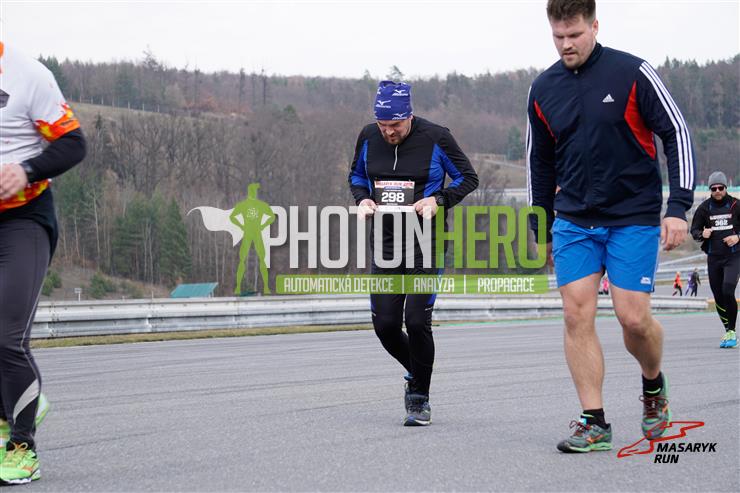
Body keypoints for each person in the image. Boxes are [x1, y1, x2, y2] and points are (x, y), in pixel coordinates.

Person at [527, 0, 695, 452]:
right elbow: (539, 163)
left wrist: (678, 206)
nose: (566, 44)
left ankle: (653, 383)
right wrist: (540, 227)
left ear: (595, 26)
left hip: (631, 216)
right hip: (574, 220)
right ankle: (594, 421)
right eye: (558, 36)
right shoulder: (543, 88)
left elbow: (676, 133)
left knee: (633, 318)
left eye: (574, 35)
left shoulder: (632, 73)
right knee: (575, 313)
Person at [348, 80, 478, 426]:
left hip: (426, 245)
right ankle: (417, 371)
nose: (388, 132)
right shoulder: (368, 136)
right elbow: (356, 176)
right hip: (386, 245)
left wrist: (439, 200)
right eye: (383, 125)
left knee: (417, 321)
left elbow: (468, 178)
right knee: (386, 326)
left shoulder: (436, 137)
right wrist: (362, 199)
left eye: (395, 125)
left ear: (409, 115)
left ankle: (419, 398)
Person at [0, 41, 86, 484]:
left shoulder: (27, 75)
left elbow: (73, 144)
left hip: (24, 219)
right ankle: (14, 403)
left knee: (6, 337)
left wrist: (26, 170)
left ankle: (22, 448)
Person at [690, 171, 739, 348]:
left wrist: (737, 237)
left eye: (720, 187)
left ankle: (732, 330)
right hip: (714, 258)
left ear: (726, 187)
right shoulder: (704, 208)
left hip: (734, 256)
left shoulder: (736, 205)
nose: (717, 191)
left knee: (727, 290)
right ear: (710, 190)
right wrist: (701, 234)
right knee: (718, 296)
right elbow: (694, 230)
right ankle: (728, 330)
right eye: (714, 188)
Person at [230, 183, 275, 295]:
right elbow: (232, 217)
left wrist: (263, 225)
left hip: (255, 233)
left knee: (260, 259)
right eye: (254, 191)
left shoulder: (258, 205)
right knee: (243, 259)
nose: (255, 193)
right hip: (250, 233)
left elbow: (272, 217)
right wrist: (242, 226)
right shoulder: (249, 205)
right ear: (251, 192)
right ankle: (239, 287)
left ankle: (265, 287)